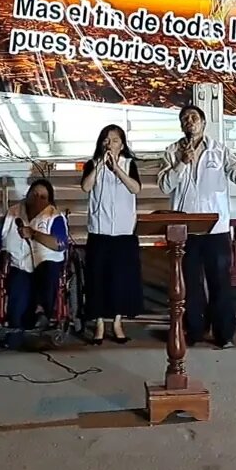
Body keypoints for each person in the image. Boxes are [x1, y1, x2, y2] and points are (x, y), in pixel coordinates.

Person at [157, 105, 236, 349]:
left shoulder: (219, 150)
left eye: (194, 117)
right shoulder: (172, 152)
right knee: (189, 283)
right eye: (185, 118)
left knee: (220, 282)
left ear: (203, 123)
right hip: (184, 229)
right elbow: (164, 185)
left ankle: (224, 334)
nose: (189, 121)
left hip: (215, 229)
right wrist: (182, 163)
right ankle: (194, 330)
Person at [0, 179, 70, 348]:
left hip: (46, 262)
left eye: (43, 196)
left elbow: (60, 244)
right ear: (27, 195)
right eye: (34, 194)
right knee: (18, 290)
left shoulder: (54, 216)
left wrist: (34, 234)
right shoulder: (13, 213)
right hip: (20, 264)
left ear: (49, 200)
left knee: (46, 274)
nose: (37, 199)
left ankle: (42, 312)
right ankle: (15, 333)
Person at [80, 124, 143, 345]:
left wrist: (117, 169)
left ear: (122, 145)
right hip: (99, 231)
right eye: (106, 140)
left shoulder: (128, 164)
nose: (110, 144)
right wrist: (99, 166)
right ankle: (98, 322)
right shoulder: (92, 164)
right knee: (97, 278)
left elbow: (135, 189)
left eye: (114, 140)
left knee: (120, 279)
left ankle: (117, 322)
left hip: (124, 232)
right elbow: (86, 188)